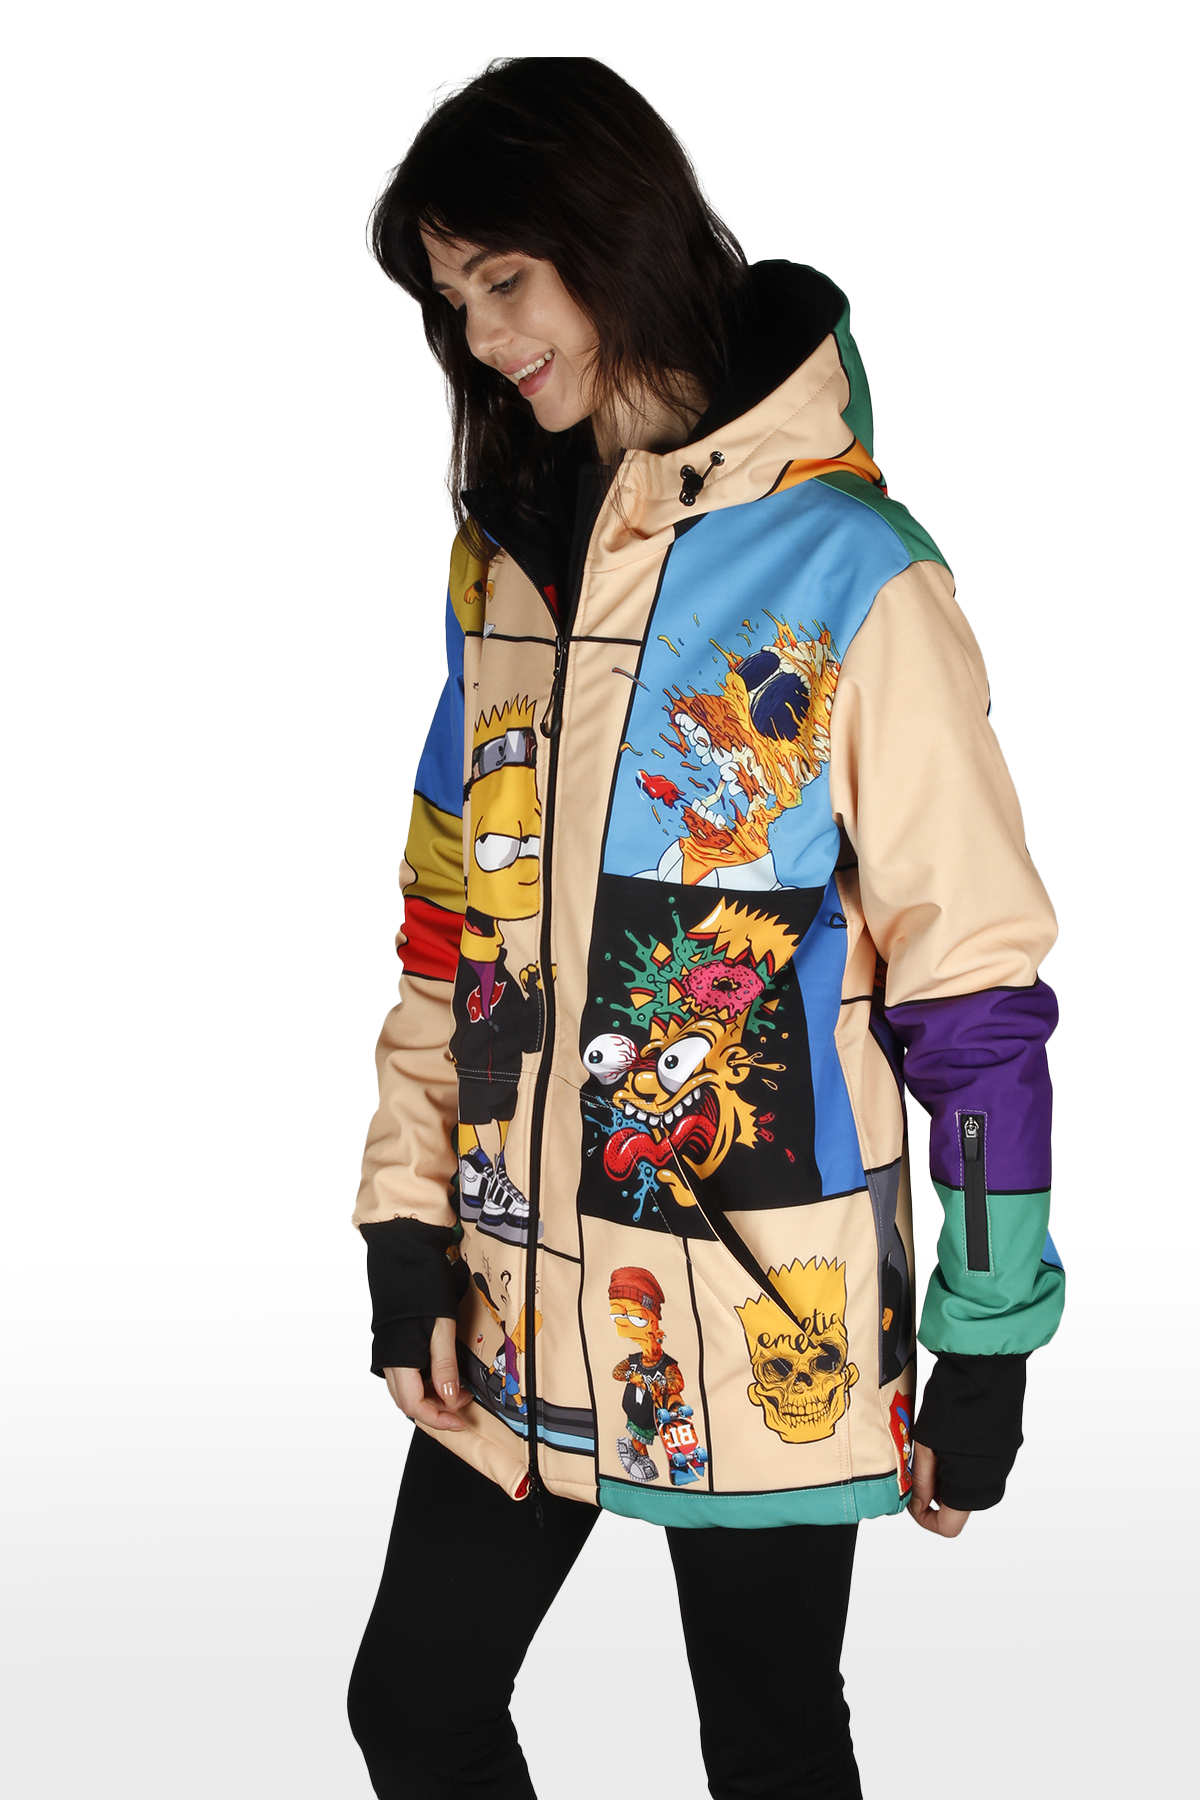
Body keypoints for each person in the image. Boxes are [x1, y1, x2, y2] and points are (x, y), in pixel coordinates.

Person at [346, 56, 1064, 1800]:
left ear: (617, 234)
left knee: (768, 1742)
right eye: (452, 302)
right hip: (517, 1282)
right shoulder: (505, 569)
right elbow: (451, 921)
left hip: (760, 1307)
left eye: (505, 280)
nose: (483, 339)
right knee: (416, 1704)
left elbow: (971, 985)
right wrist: (406, 1218)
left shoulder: (854, 571)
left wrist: (987, 1333)